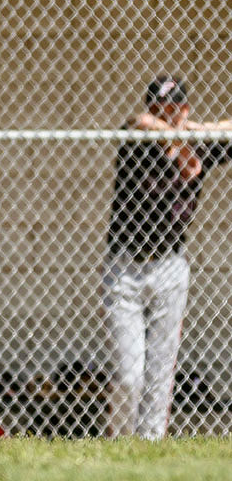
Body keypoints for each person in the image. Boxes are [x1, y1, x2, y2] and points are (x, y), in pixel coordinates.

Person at [103, 75, 232, 439]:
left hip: (170, 266)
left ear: (186, 110)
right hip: (125, 267)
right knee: (130, 374)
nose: (164, 114)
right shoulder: (138, 142)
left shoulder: (197, 142)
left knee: (161, 370)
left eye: (173, 108)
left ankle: (150, 445)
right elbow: (137, 122)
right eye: (158, 108)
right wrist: (174, 133)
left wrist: (193, 129)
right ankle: (119, 443)